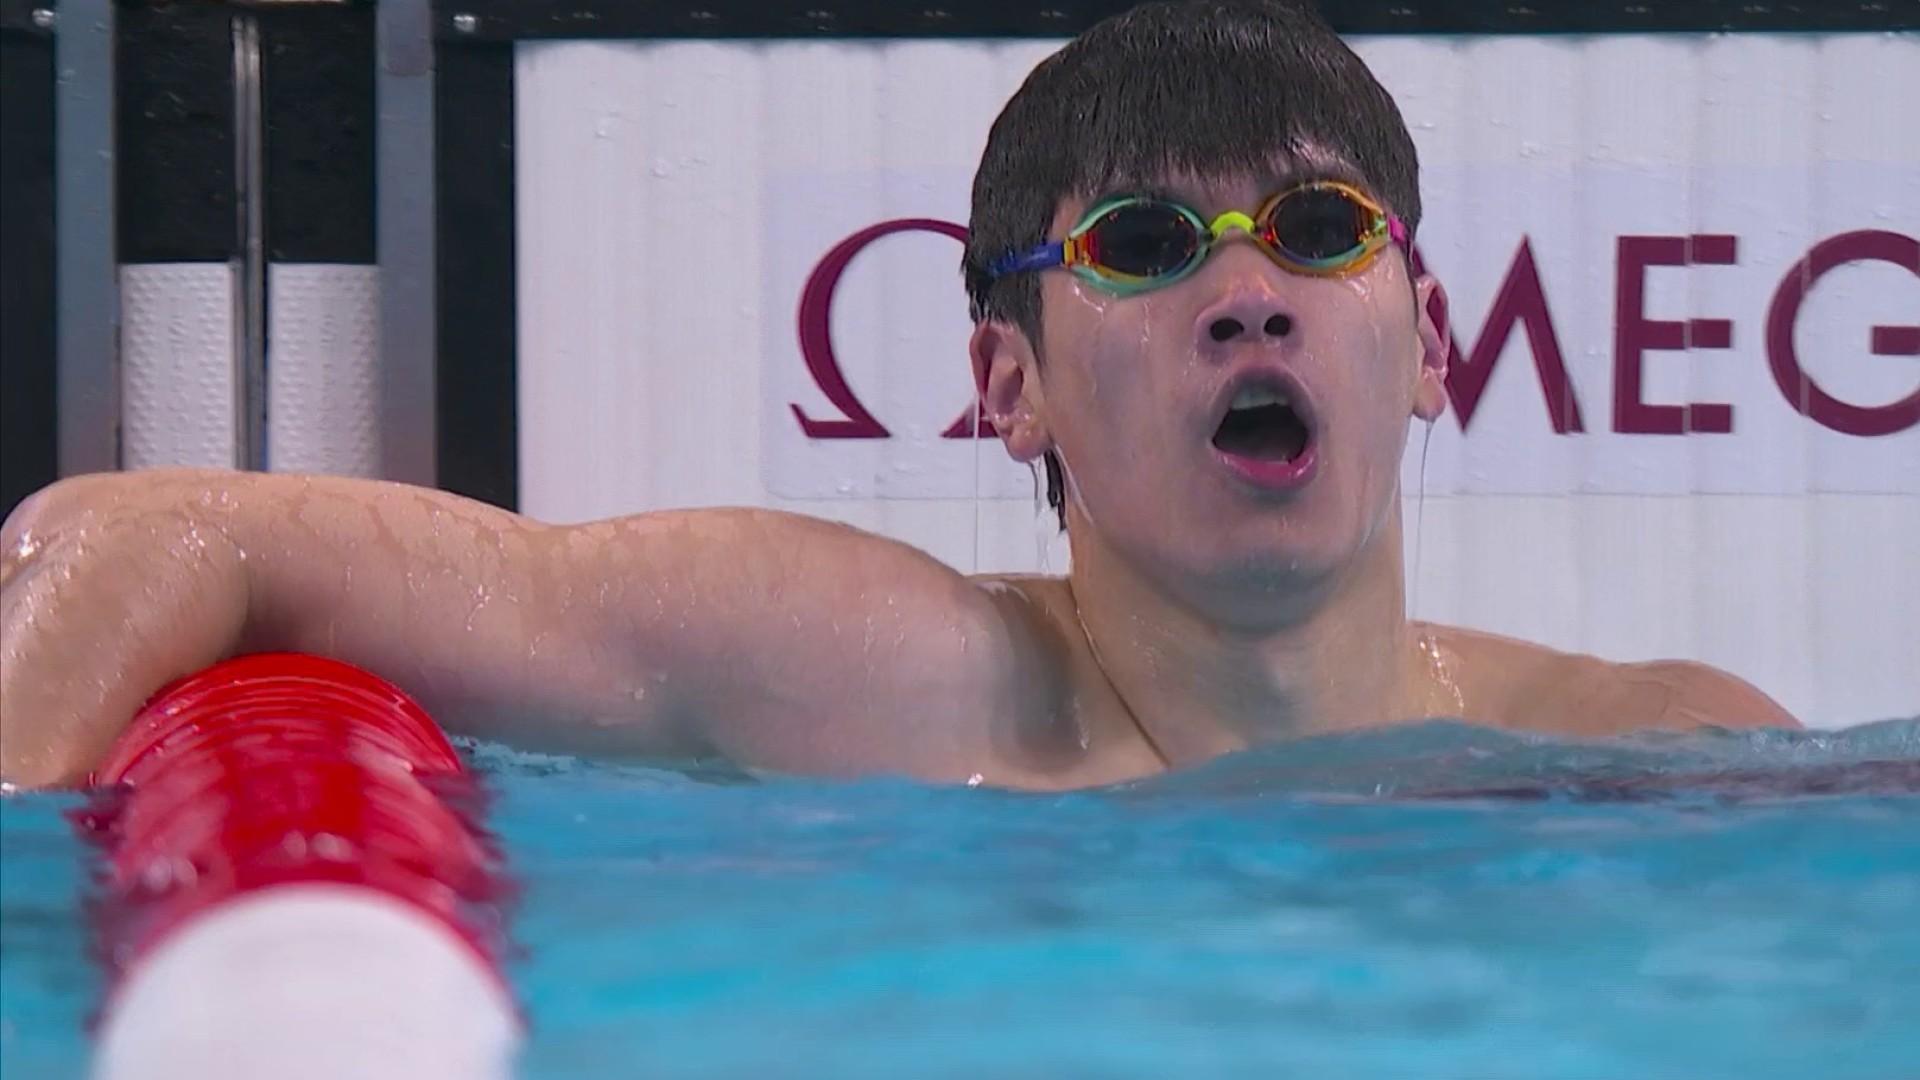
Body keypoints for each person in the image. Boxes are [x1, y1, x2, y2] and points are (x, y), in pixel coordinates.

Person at [0, 0, 1796, 791]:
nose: (1248, 297)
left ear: (1436, 336)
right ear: (1006, 387)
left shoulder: (1659, 759)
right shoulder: (859, 674)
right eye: (1148, 245)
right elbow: (155, 530)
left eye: (1316, 230)